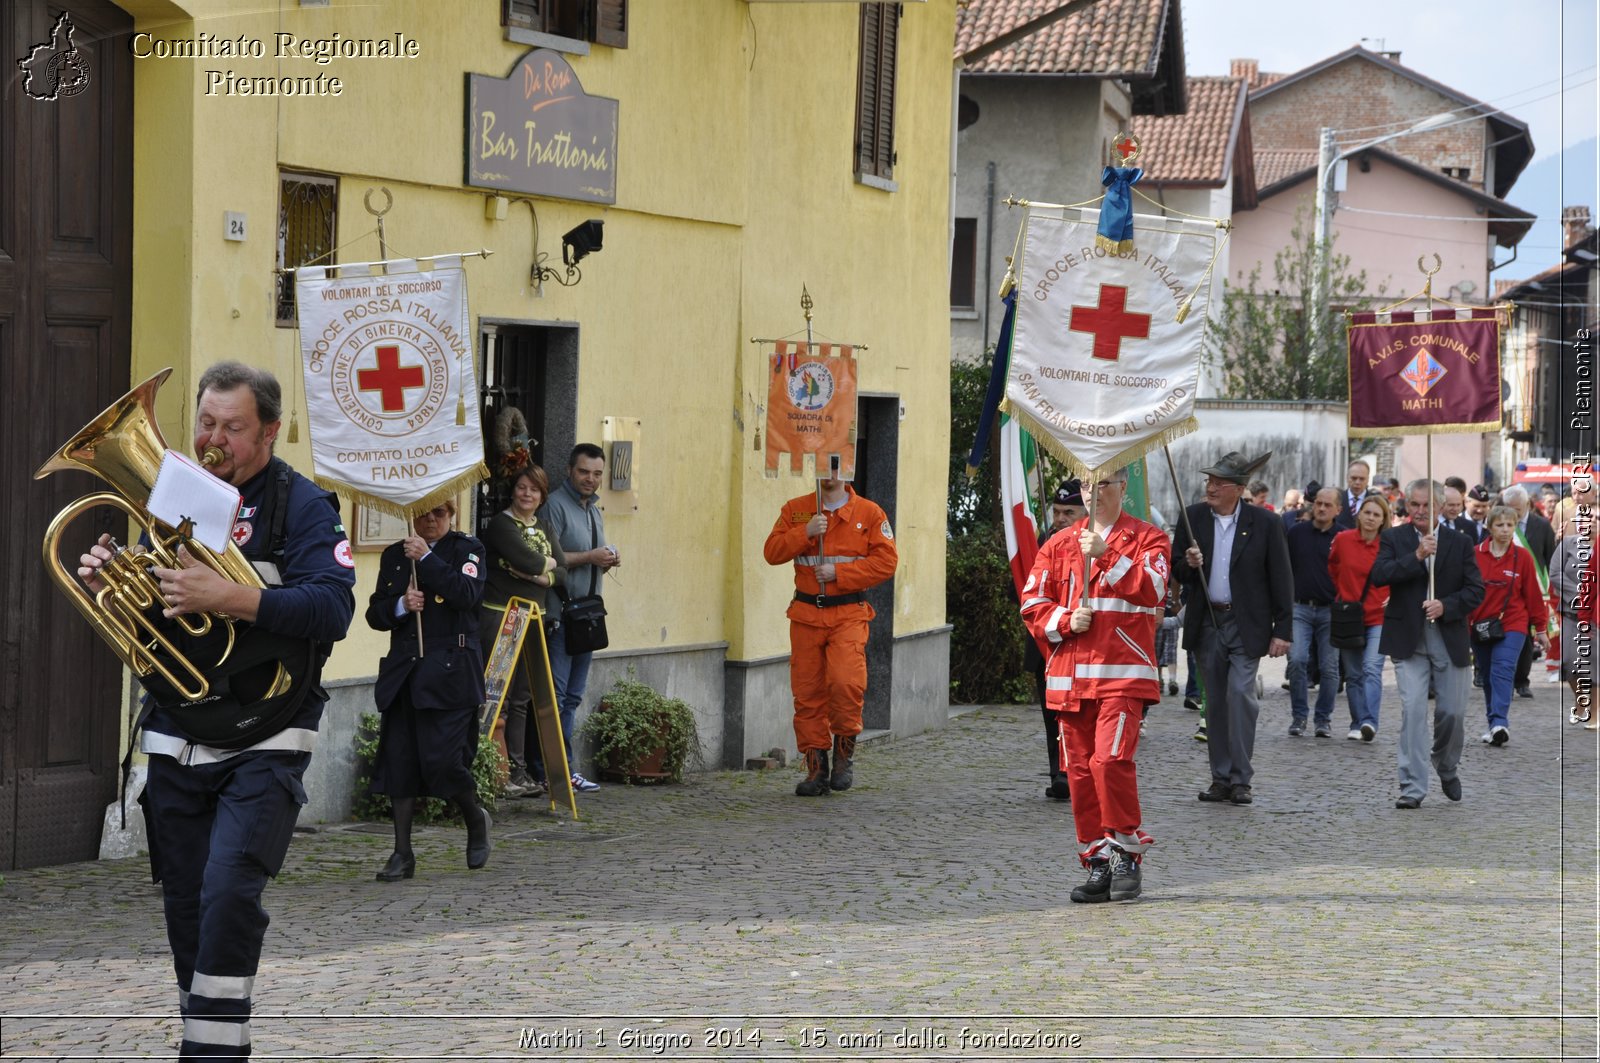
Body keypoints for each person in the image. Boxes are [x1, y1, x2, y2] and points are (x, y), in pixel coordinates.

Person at [77, 362, 356, 1061]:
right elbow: (158, 614)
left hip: (268, 735)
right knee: (185, 904)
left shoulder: (304, 506)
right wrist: (114, 576)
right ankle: (206, 1036)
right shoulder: (175, 497)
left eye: (232, 427)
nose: (213, 439)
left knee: (230, 888)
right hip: (176, 733)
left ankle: (213, 1055)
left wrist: (229, 595)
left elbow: (334, 606)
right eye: (206, 422)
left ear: (270, 429)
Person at [1020, 465, 1166, 902]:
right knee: (1080, 774)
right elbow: (1031, 602)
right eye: (1087, 484)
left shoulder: (1148, 538)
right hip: (1069, 681)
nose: (1094, 492)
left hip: (1123, 676)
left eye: (1103, 483)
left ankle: (1127, 853)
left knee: (1109, 761)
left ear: (1123, 487)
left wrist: (1106, 554)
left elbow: (1154, 589)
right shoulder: (1058, 544)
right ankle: (1098, 860)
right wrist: (1064, 620)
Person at [366, 501, 491, 880]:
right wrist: (401, 606)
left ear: (451, 515)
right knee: (399, 764)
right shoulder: (395, 555)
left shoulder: (467, 549)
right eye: (423, 514)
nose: (431, 520)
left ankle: (474, 817)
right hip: (405, 672)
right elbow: (375, 613)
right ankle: (402, 853)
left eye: (439, 513)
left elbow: (468, 594)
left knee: (443, 763)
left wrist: (428, 560)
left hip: (451, 673)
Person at [763, 471, 899, 796]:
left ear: (847, 470)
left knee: (846, 683)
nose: (830, 473)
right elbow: (772, 552)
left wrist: (840, 573)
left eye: (837, 465)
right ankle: (815, 768)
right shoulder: (797, 509)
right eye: (825, 465)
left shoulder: (869, 513)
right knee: (807, 693)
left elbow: (886, 562)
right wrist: (804, 532)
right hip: (807, 615)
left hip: (848, 614)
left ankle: (843, 756)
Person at [1173, 450, 1293, 806]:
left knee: (1240, 695)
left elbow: (1281, 578)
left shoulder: (1266, 523)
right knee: (1215, 705)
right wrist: (1188, 563)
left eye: (1218, 482)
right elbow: (1175, 568)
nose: (1209, 487)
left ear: (1238, 489)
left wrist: (1282, 630)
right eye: (1208, 481)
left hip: (1247, 623)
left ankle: (1242, 778)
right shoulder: (1192, 517)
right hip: (1208, 621)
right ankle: (1220, 778)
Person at [1370, 479, 1484, 809]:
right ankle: (1412, 785)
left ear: (1440, 507)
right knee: (1413, 710)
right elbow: (1379, 575)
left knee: (1452, 713)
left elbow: (1475, 591)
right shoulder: (1394, 537)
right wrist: (1417, 555)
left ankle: (1446, 765)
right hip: (1408, 639)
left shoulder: (1460, 543)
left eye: (1426, 505)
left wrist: (1446, 605)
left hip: (1448, 637)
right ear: (1406, 505)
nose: (1420, 511)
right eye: (1414, 505)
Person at [479, 463, 567, 798]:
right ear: (513, 490)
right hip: (503, 617)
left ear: (542, 495)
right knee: (496, 696)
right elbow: (532, 560)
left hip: (534, 618)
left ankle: (518, 769)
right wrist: (543, 566)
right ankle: (494, 769)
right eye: (522, 487)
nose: (527, 494)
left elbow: (564, 572)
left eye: (534, 489)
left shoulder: (543, 525)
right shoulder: (502, 525)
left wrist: (539, 576)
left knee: (521, 698)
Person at [539, 443, 620, 793]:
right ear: (571, 470)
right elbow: (550, 559)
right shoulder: (555, 506)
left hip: (586, 615)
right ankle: (553, 771)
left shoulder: (594, 508)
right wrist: (591, 556)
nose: (591, 479)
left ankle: (566, 770)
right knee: (555, 699)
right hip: (560, 615)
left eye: (597, 473)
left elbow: (590, 555)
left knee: (572, 697)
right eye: (585, 471)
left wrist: (609, 558)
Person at [1468, 504, 1550, 746]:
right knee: (1488, 674)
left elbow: (1533, 595)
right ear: (1489, 527)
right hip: (1480, 624)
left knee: (1502, 669)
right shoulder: (1475, 554)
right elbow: (1467, 591)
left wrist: (1541, 629)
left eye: (1510, 525)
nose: (1505, 530)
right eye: (1500, 525)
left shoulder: (1522, 557)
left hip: (1513, 622)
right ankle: (1493, 723)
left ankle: (1500, 722)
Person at [1027, 479, 1085, 799]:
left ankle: (1076, 771)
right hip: (1046, 643)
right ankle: (1058, 773)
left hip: (1081, 643)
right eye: (1057, 511)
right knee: (1052, 712)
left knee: (1076, 712)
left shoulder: (1092, 545)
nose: (1060, 518)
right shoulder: (1042, 542)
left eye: (1069, 512)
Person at [1329, 494, 1391, 740]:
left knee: (1371, 668)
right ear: (1359, 514)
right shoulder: (1343, 540)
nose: (1371, 518)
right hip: (1349, 615)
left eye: (1377, 514)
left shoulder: (1388, 545)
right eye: (1368, 512)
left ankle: (1369, 721)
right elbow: (1333, 567)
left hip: (1378, 616)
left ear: (1383, 520)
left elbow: (1396, 573)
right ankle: (1357, 723)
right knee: (1353, 673)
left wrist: (1391, 596)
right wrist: (1343, 592)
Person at [1286, 488, 1343, 737]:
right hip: (1299, 607)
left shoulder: (1343, 536)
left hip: (1331, 610)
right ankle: (1299, 717)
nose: (1321, 508)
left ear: (1338, 510)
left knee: (1330, 667)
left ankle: (1323, 719)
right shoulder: (1296, 533)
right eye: (1318, 503)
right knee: (1297, 660)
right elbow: (1283, 568)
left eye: (1327, 505)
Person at [1501, 484, 1556, 699]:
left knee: (1525, 636)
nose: (1512, 513)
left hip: (1533, 588)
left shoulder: (1541, 525)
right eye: (1509, 508)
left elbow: (1551, 557)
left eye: (1517, 508)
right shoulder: (1500, 523)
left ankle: (1522, 680)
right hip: (1505, 588)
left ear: (1527, 504)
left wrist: (1552, 586)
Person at [1334, 460, 1375, 530]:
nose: (1357, 482)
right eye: (1354, 478)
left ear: (1368, 479)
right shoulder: (1336, 500)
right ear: (1347, 478)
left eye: (1362, 479)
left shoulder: (1376, 502)